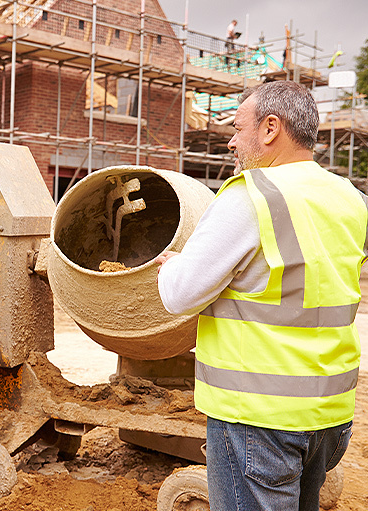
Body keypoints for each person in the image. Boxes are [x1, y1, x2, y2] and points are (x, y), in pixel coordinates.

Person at [156, 80, 366, 511]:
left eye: (237, 129)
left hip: (258, 416)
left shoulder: (251, 197)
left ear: (271, 128)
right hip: (329, 414)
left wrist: (173, 266)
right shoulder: (351, 198)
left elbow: (179, 296)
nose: (231, 142)